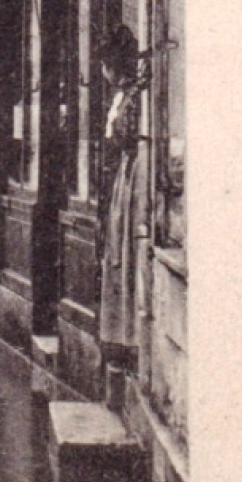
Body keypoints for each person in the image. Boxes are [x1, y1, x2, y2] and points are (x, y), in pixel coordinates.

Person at [98, 24, 147, 360]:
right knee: (119, 252)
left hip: (133, 178)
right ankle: (120, 335)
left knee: (126, 251)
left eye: (105, 65)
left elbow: (125, 138)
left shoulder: (132, 96)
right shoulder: (126, 95)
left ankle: (129, 337)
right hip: (123, 178)